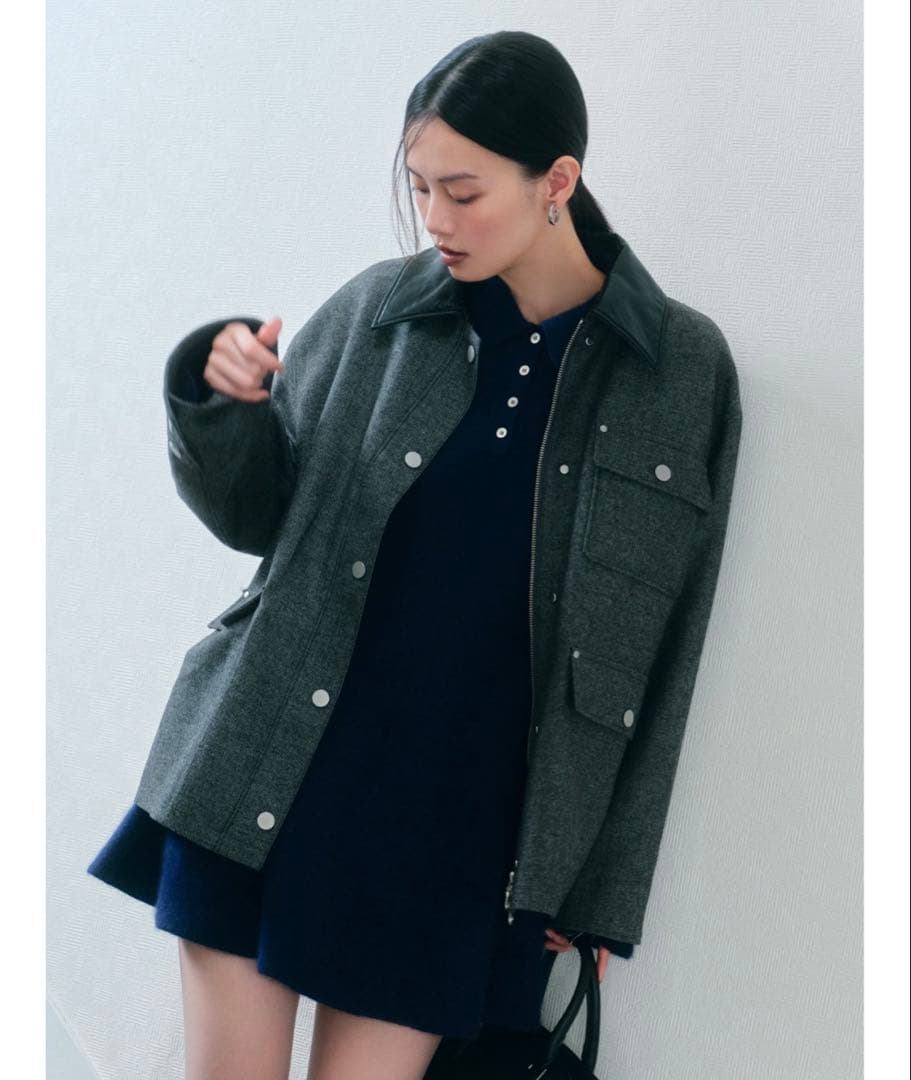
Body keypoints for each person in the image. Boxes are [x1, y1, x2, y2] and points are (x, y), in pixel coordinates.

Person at [88, 29, 740, 1080]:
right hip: (270, 768)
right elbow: (257, 520)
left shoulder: (676, 370)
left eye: (463, 191)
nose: (434, 219)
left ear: (555, 182)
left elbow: (667, 650)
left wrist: (595, 892)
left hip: (453, 829)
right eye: (418, 186)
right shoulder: (380, 314)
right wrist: (221, 403)